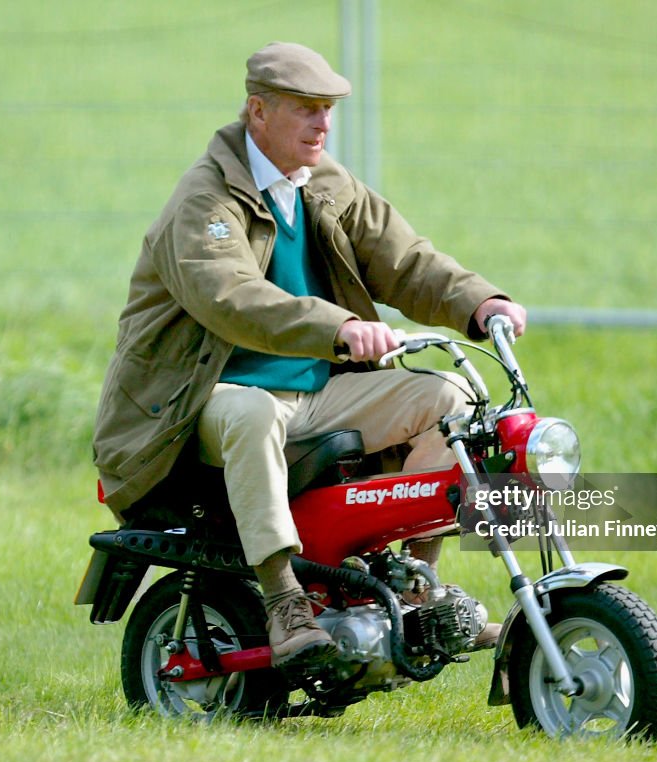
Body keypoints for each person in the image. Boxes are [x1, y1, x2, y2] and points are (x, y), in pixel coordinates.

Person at [93, 42, 527, 668]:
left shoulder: (324, 184)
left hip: (315, 395)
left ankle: (413, 582)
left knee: (448, 401)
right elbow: (232, 298)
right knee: (254, 415)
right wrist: (340, 326)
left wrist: (481, 302)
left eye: (328, 109)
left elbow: (405, 260)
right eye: (307, 109)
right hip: (199, 403)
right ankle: (282, 598)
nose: (323, 124)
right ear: (257, 111)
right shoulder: (205, 202)